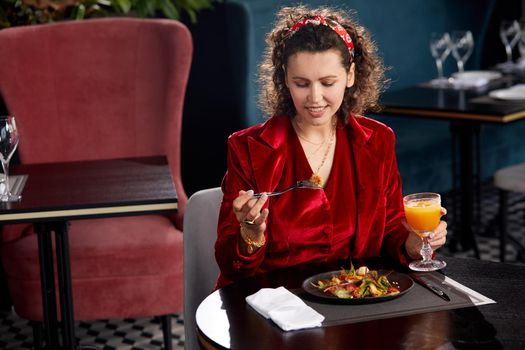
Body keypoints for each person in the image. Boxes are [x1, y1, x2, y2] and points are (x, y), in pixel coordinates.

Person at [215, 5, 447, 288]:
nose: (315, 98)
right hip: (274, 307)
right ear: (285, 78)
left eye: (327, 83)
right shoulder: (247, 148)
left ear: (350, 76)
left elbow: (390, 233)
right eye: (301, 83)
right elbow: (230, 266)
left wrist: (414, 243)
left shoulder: (378, 140)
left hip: (355, 306)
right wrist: (250, 233)